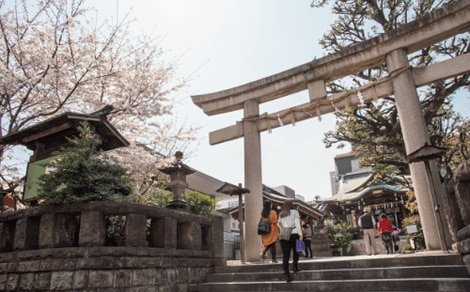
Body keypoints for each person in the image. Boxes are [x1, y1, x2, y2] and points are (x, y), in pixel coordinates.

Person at [278, 200, 302, 282]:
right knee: (296, 252)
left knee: (286, 256)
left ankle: (287, 274)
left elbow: (279, 225)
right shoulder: (295, 212)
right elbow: (297, 224)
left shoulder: (281, 214)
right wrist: (301, 234)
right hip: (294, 234)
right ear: (291, 205)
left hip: (283, 235)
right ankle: (295, 267)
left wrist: (284, 230)